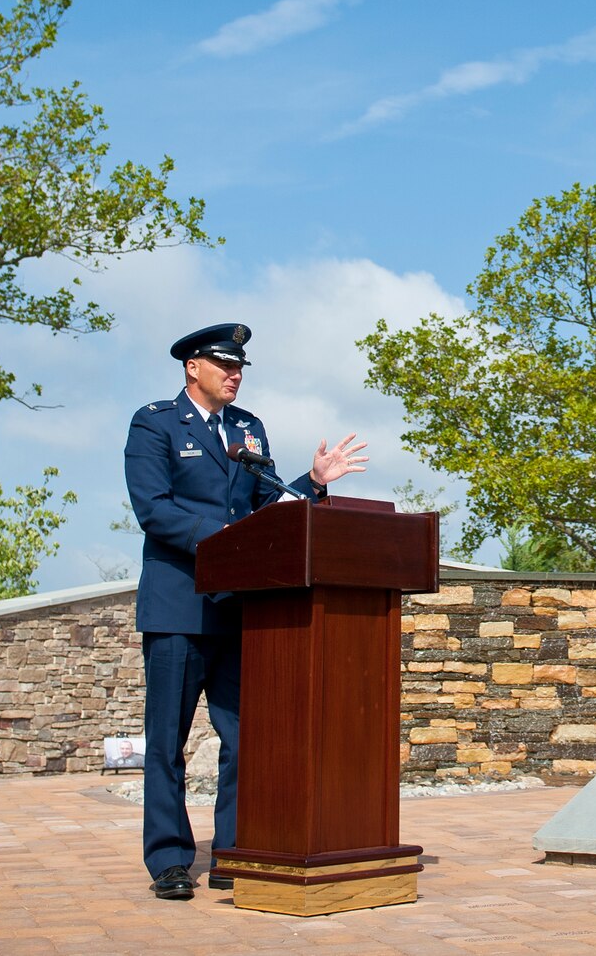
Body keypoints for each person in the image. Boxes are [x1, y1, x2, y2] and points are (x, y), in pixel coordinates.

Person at [124, 322, 367, 902]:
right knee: (167, 742)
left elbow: (270, 508)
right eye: (225, 366)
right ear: (193, 367)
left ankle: (233, 851)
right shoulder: (155, 422)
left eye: (240, 368)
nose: (235, 375)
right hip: (179, 609)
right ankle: (170, 859)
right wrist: (232, 539)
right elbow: (154, 511)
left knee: (246, 739)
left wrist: (311, 483)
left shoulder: (248, 429)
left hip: (239, 612)